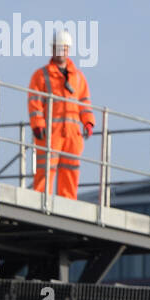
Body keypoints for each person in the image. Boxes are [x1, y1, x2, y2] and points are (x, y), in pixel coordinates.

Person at [28, 28, 94, 199]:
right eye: (58, 48)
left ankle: (68, 203)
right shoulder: (41, 75)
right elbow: (34, 102)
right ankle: (40, 200)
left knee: (70, 171)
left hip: (72, 134)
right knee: (45, 168)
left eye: (64, 48)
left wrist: (88, 122)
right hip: (50, 132)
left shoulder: (78, 77)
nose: (61, 51)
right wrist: (37, 124)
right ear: (53, 49)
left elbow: (84, 102)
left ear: (68, 50)